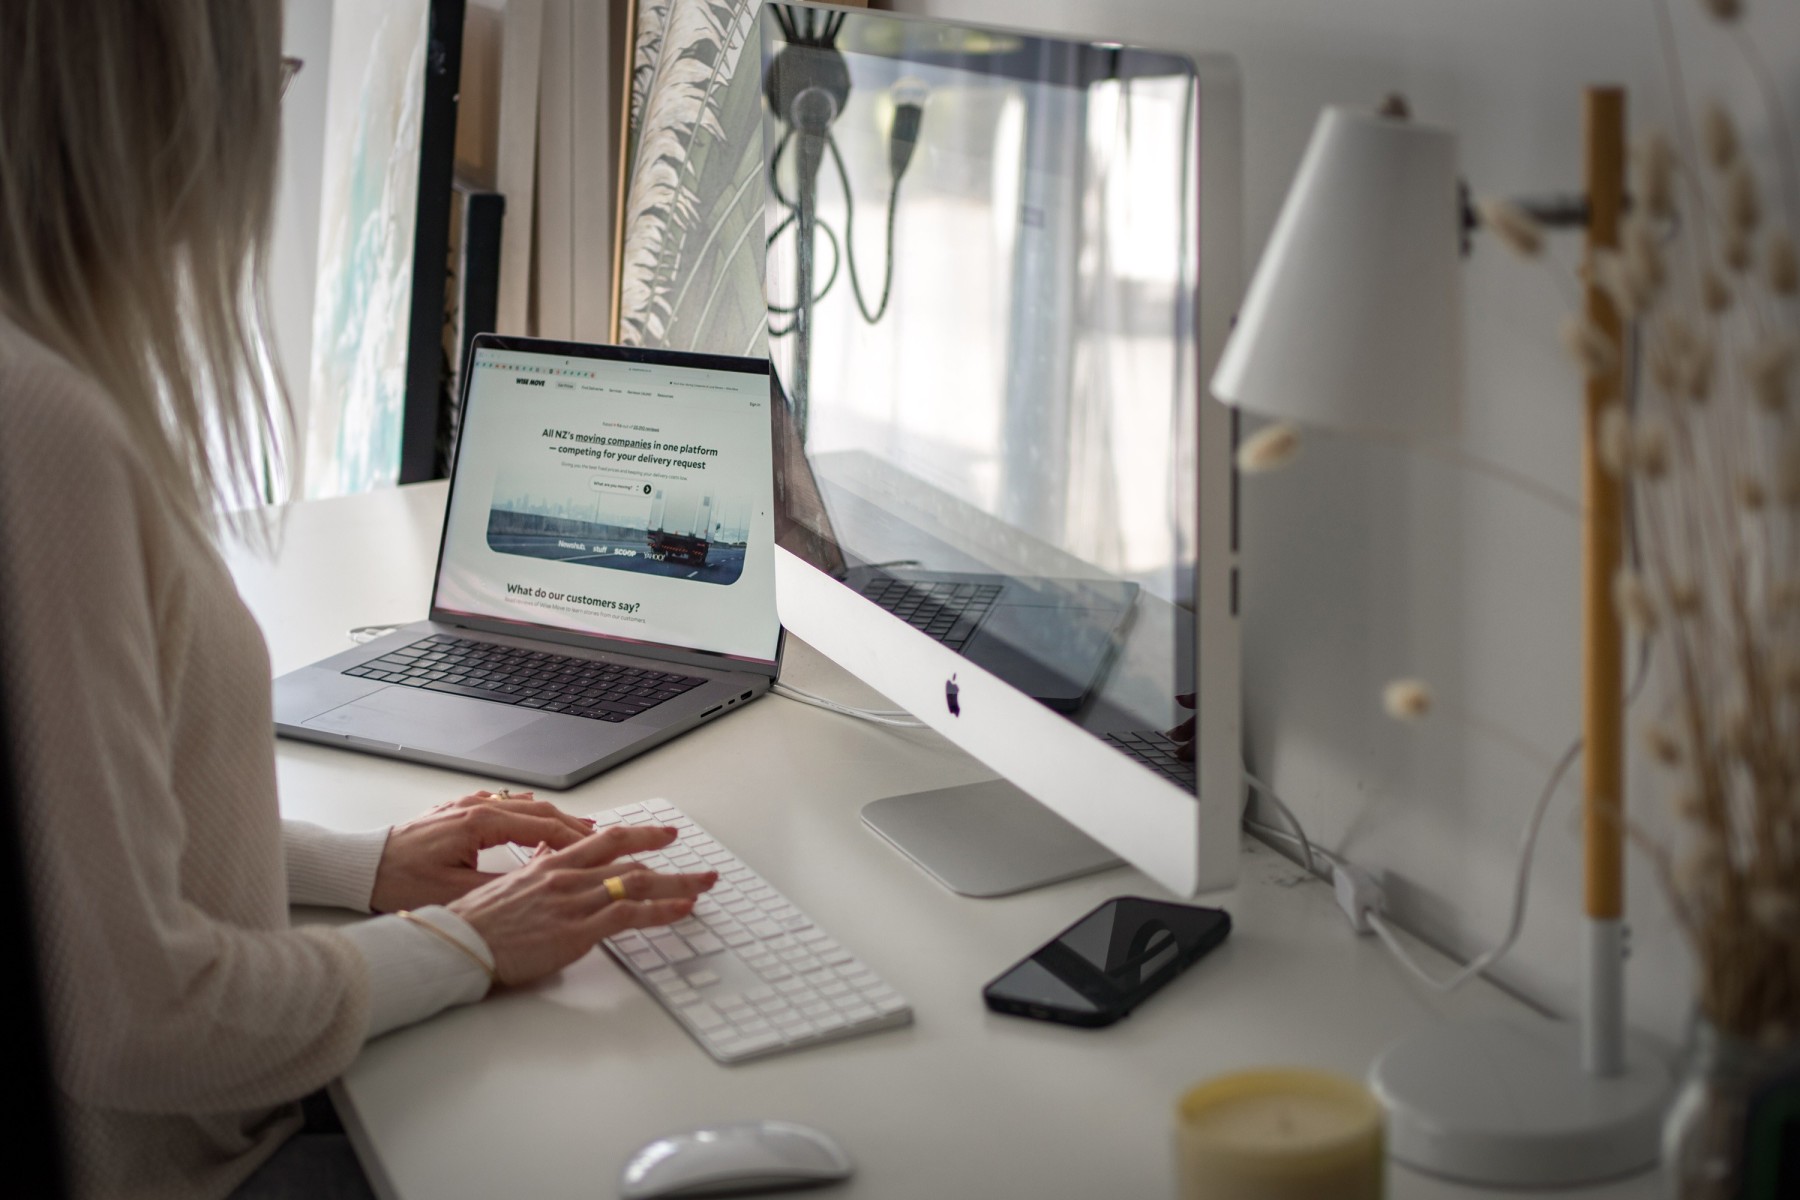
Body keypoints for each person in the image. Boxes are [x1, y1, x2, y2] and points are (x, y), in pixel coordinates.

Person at [0, 3, 718, 1197]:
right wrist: (468, 944)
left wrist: (364, 864)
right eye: (267, 74)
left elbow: (77, 849)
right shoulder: (45, 430)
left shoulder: (47, 377)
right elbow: (132, 1015)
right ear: (165, 104)